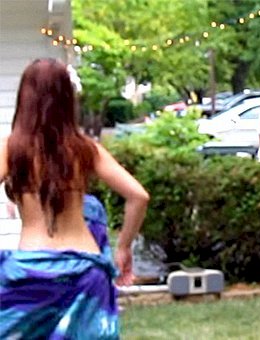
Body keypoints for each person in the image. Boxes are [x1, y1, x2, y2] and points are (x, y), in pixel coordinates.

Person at [0, 58, 149, 338]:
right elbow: (138, 196)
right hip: (86, 272)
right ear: (67, 99)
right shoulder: (84, 149)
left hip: (30, 273)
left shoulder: (12, 149)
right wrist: (123, 248)